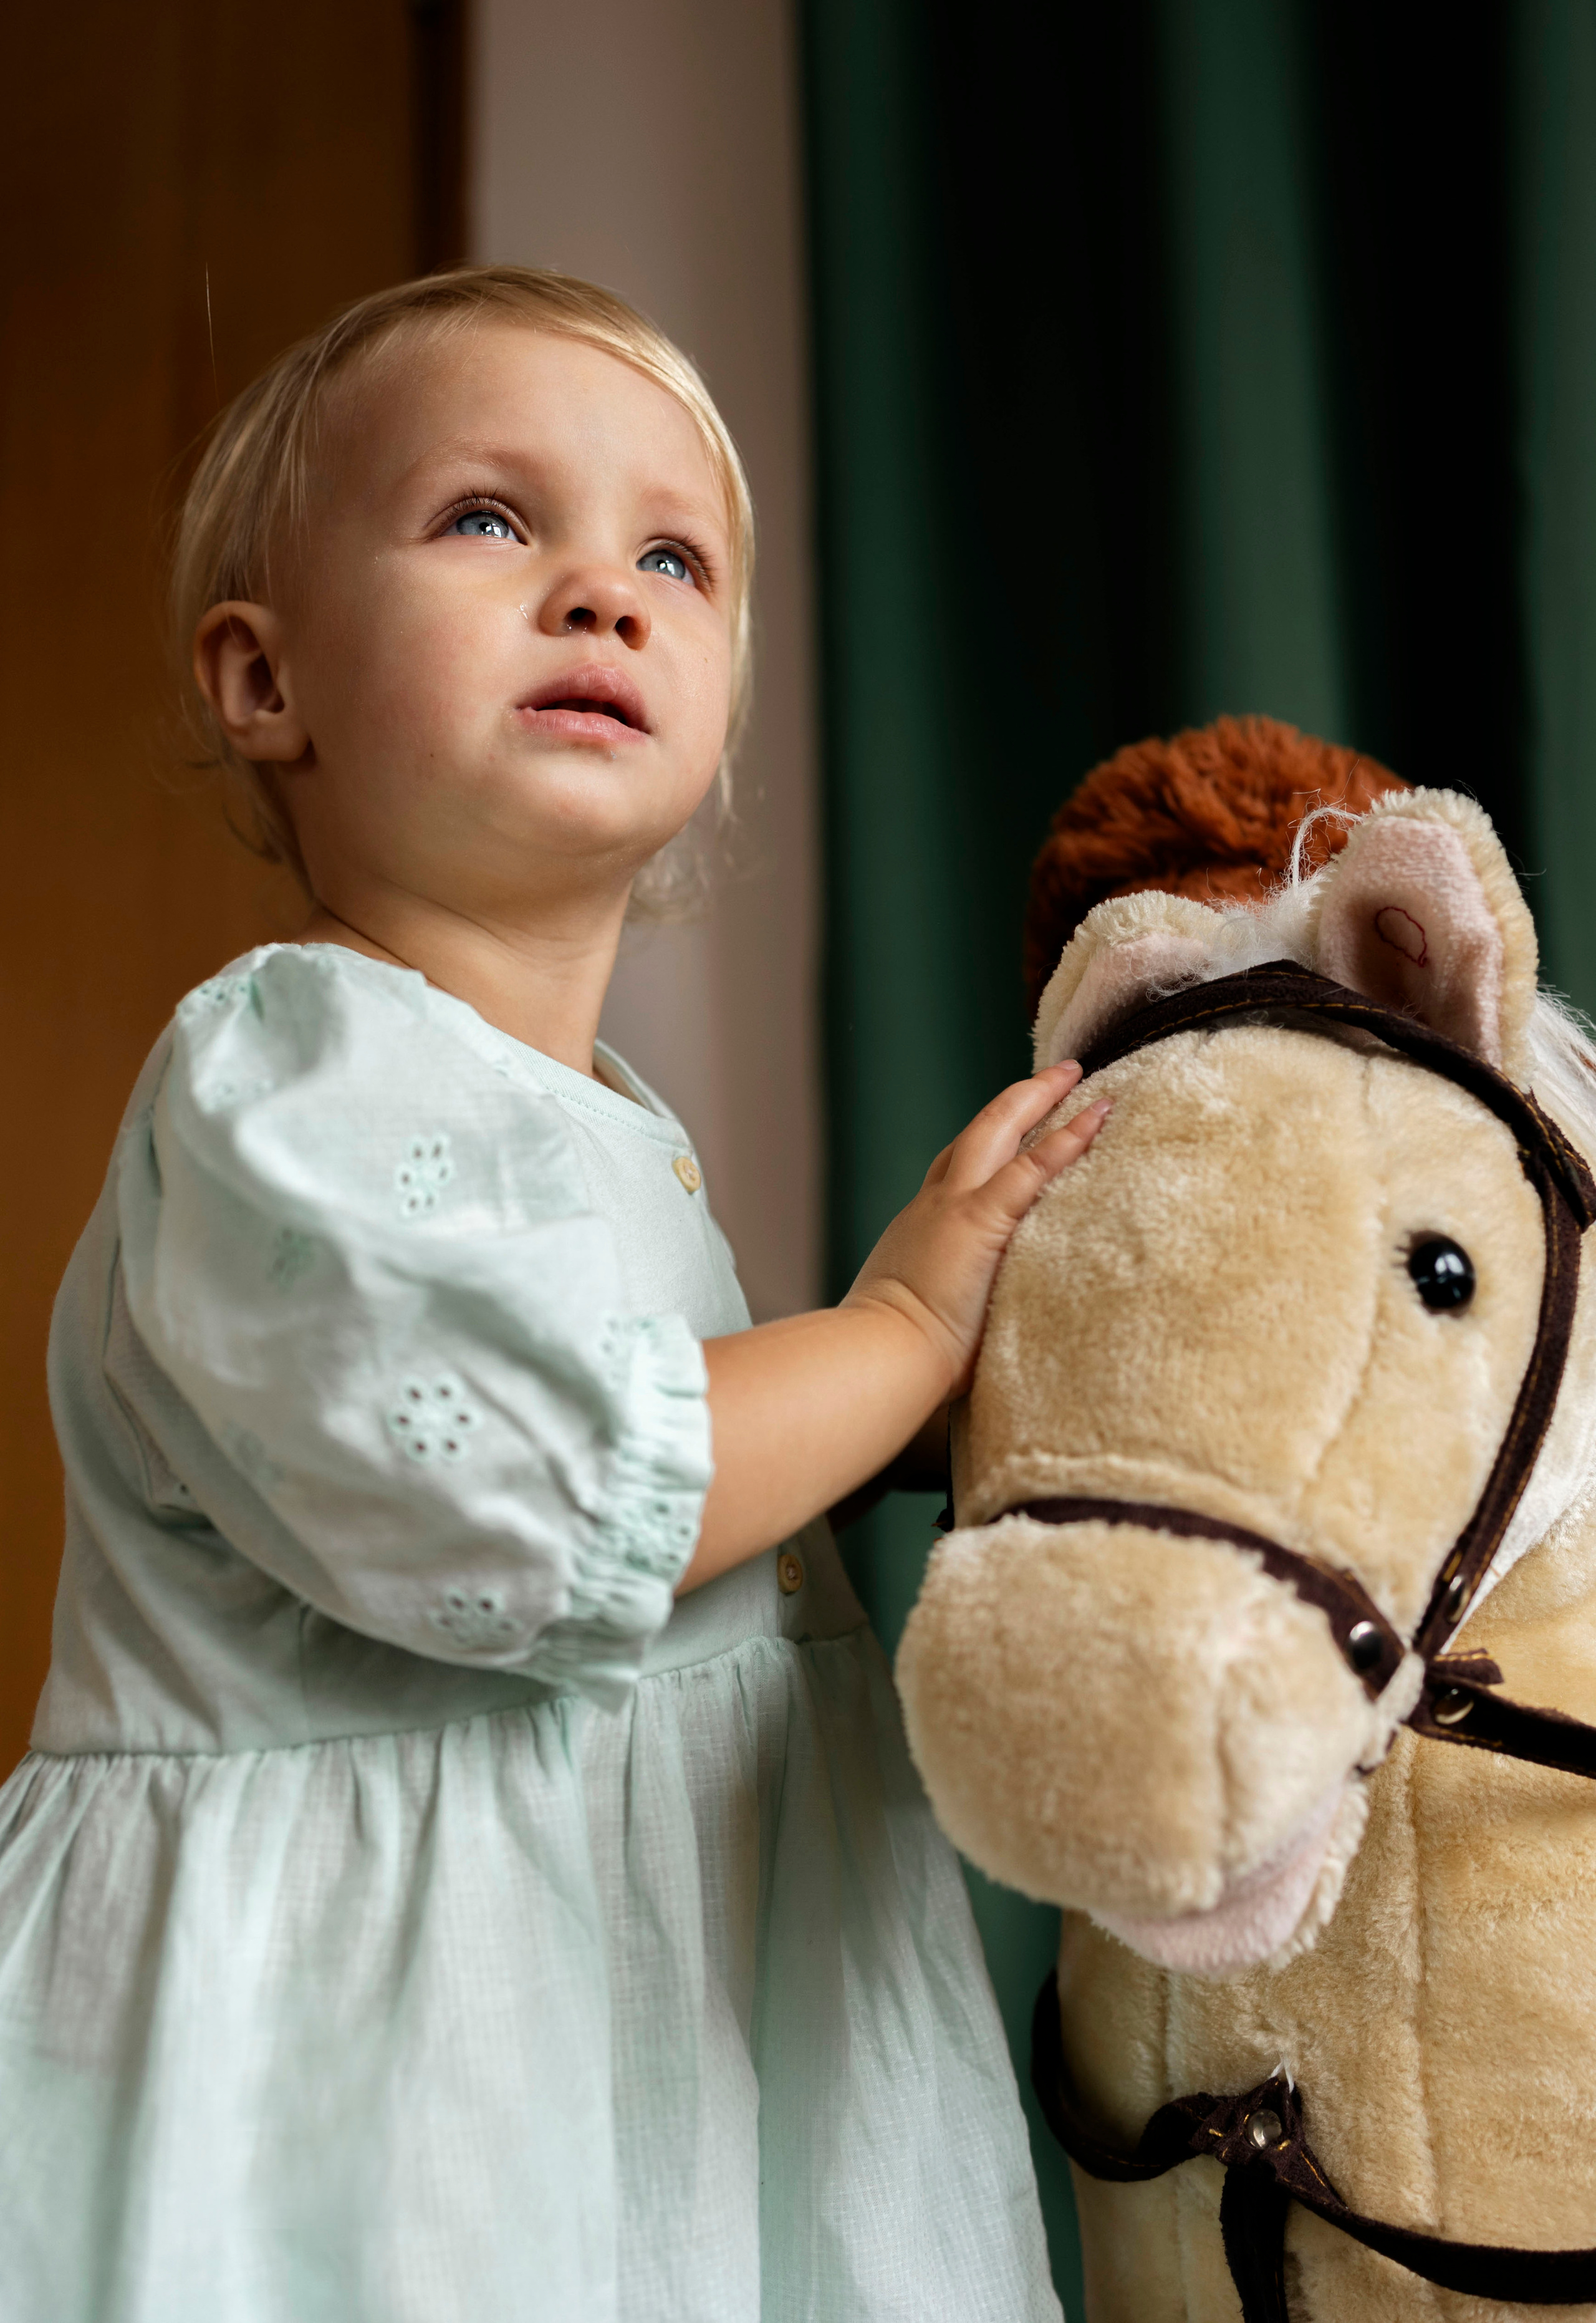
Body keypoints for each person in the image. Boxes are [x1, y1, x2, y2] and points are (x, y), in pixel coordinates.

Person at [0, 268, 1107, 2323]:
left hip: (662, 2058)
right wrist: (898, 1339)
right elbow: (543, 1505)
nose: (602, 592)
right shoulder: (286, 1072)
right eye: (491, 520)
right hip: (361, 2116)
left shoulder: (611, 1132)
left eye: (670, 556)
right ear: (263, 679)